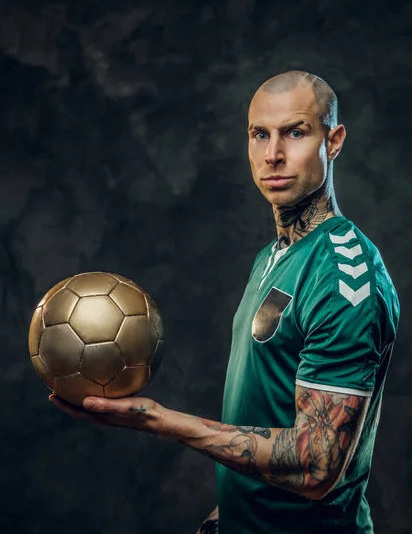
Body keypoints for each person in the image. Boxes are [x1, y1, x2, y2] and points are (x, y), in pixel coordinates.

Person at [50, 71, 400, 533]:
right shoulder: (272, 256)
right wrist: (227, 517)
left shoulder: (345, 275)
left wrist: (159, 420)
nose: (273, 154)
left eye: (296, 132)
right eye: (260, 135)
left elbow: (317, 465)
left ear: (332, 142)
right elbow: (267, 413)